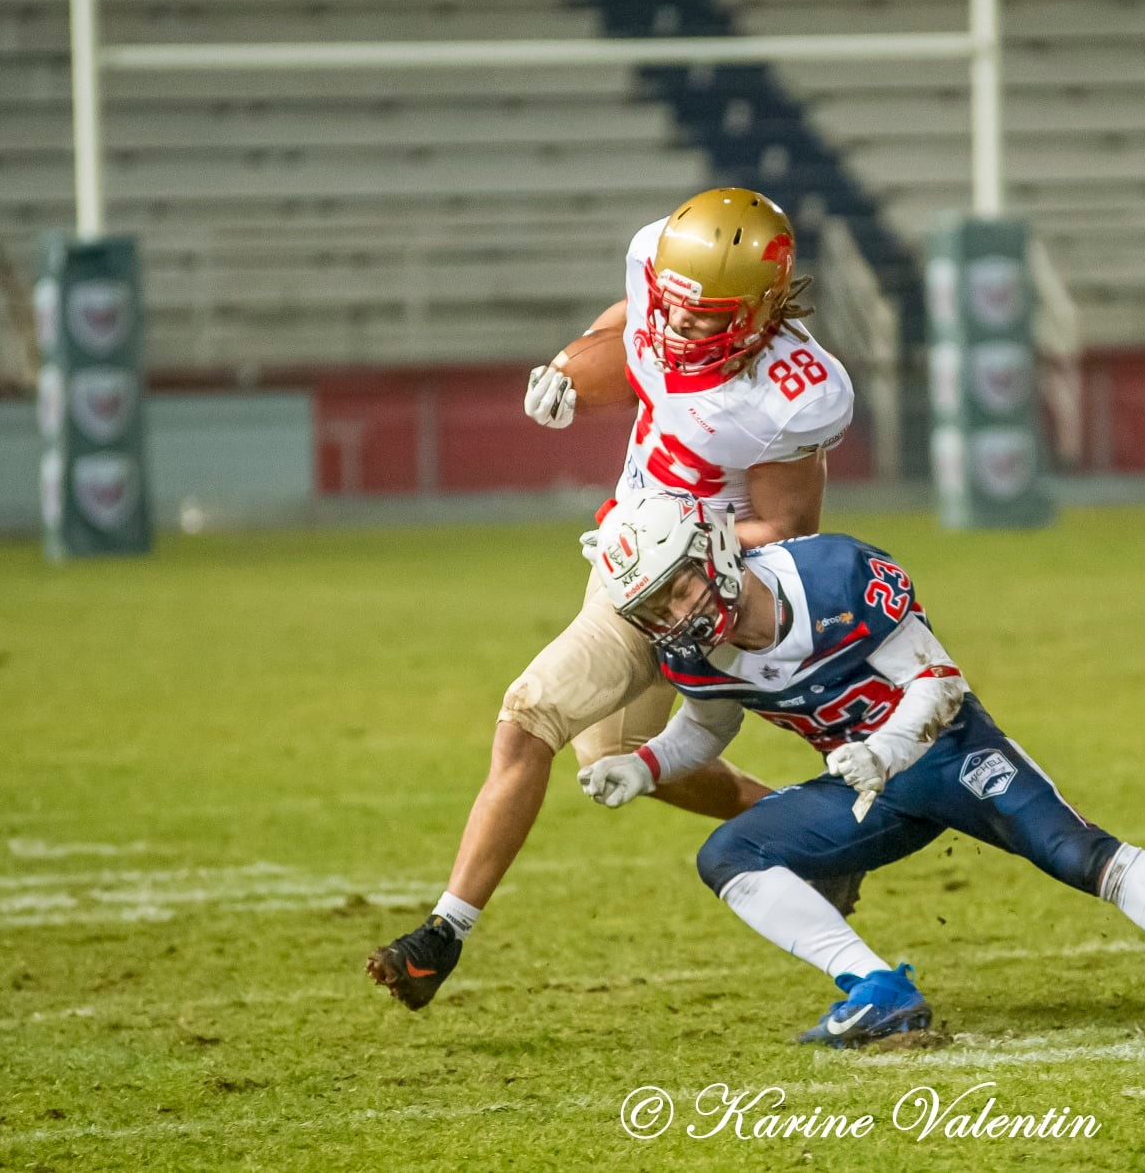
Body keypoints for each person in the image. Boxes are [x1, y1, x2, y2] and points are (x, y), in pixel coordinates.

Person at [576, 494, 1145, 1045]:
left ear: (712, 550)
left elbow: (936, 684)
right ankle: (877, 989)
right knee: (728, 852)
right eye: (652, 609)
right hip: (868, 784)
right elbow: (709, 723)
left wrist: (883, 750)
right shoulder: (692, 655)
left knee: (1080, 853)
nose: (671, 619)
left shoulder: (837, 574)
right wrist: (646, 764)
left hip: (945, 750)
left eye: (674, 590)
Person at [366, 189, 856, 1010]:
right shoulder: (666, 286)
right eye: (676, 303)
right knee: (627, 763)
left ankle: (440, 934)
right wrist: (567, 367)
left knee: (529, 717)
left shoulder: (787, 392)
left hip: (696, 591)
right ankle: (821, 836)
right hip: (631, 561)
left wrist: (696, 541)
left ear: (763, 308)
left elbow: (790, 525)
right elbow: (629, 326)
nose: (678, 326)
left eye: (706, 316)